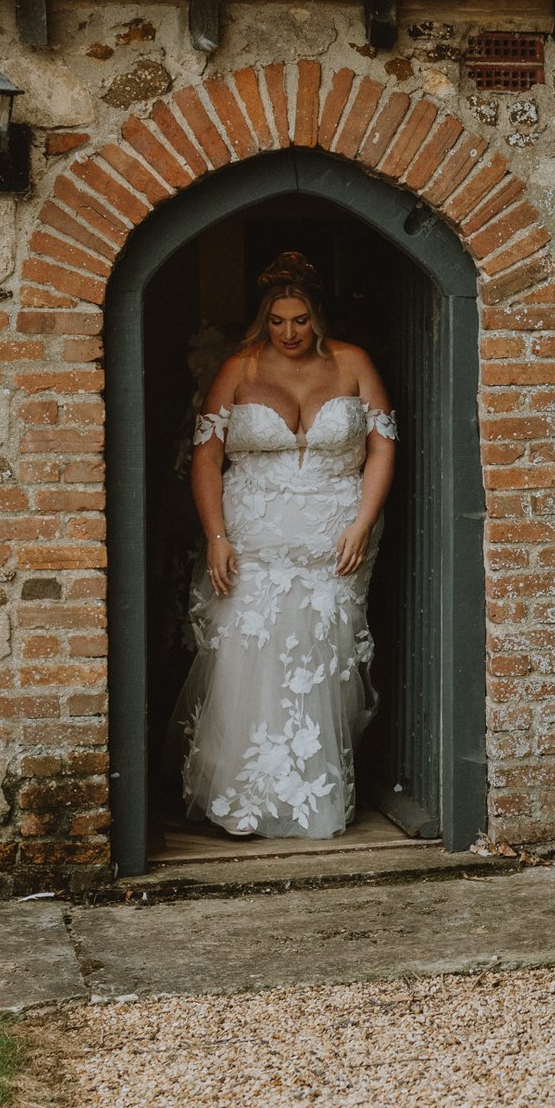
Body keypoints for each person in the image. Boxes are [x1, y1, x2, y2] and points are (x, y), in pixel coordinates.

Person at [172, 252, 396, 839]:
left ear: (316, 316)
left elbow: (383, 447)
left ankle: (312, 795)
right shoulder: (239, 370)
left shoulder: (353, 364)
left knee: (323, 662)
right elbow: (206, 457)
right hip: (253, 544)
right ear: (263, 319)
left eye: (299, 320)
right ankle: (240, 796)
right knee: (248, 658)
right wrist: (216, 537)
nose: (289, 333)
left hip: (334, 543)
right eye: (278, 321)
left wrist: (364, 522)